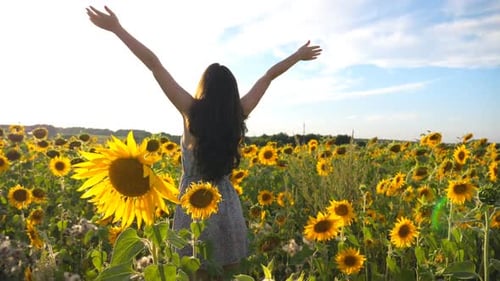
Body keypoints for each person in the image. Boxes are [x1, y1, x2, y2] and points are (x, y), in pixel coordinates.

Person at [86, 5, 322, 280]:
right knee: (231, 274)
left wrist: (117, 29)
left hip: (192, 204)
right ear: (231, 92)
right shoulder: (239, 112)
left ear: (203, 87)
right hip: (226, 203)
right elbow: (267, 76)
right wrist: (297, 56)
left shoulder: (190, 111)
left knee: (195, 270)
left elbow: (154, 64)